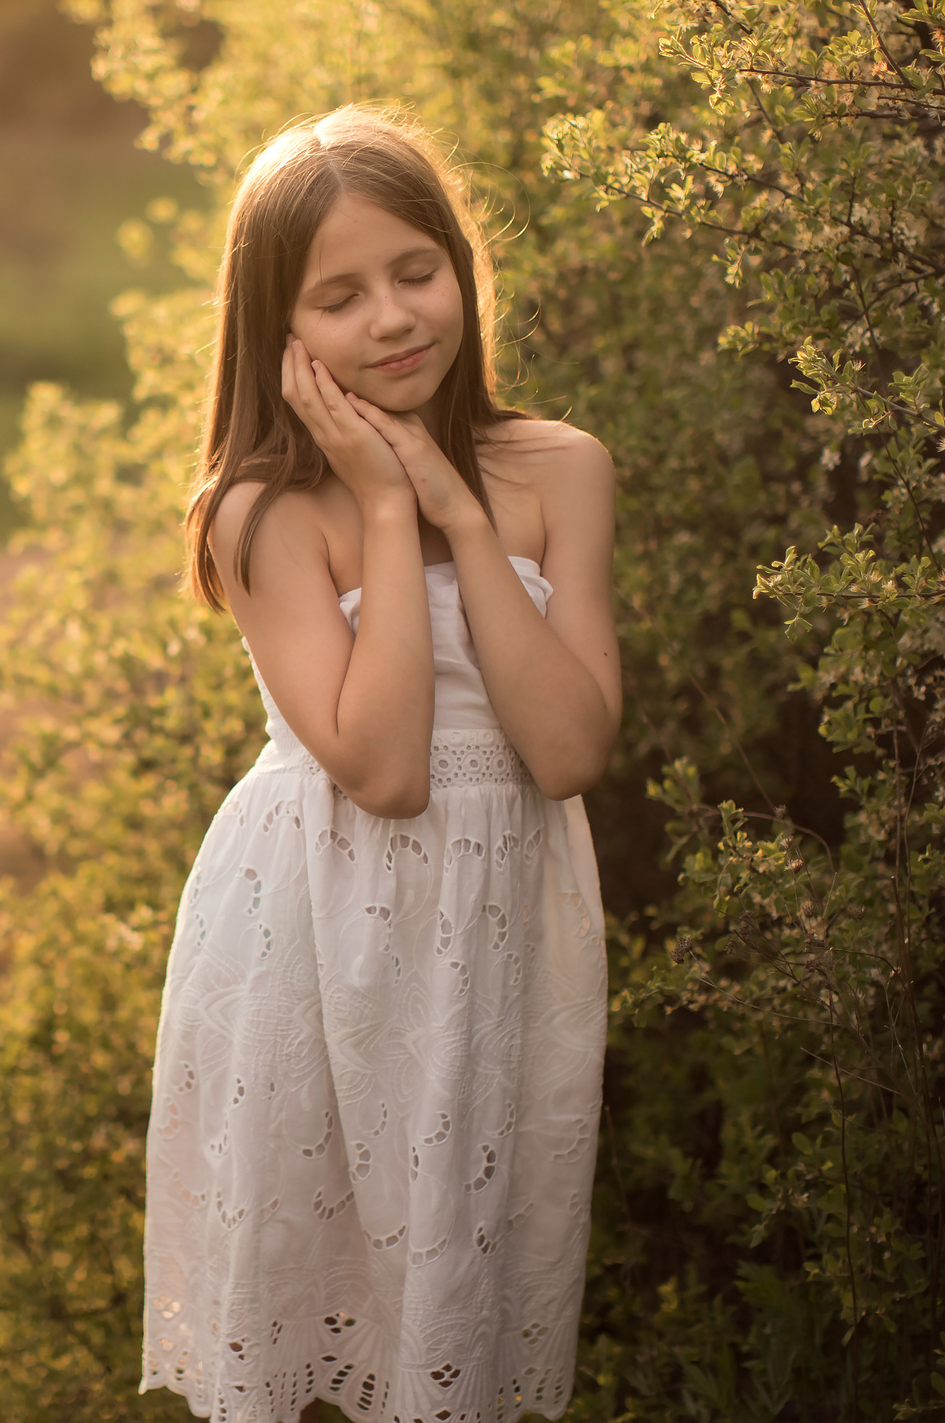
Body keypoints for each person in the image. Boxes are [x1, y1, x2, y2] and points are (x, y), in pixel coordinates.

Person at [141, 104, 617, 1423]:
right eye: (340, 297)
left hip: (499, 926)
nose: (396, 317)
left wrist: (460, 511)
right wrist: (391, 506)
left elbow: (570, 749)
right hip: (318, 925)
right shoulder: (263, 512)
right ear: (277, 332)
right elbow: (385, 768)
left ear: (462, 265)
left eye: (418, 270)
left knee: (462, 1294)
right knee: (317, 1311)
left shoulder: (560, 472)